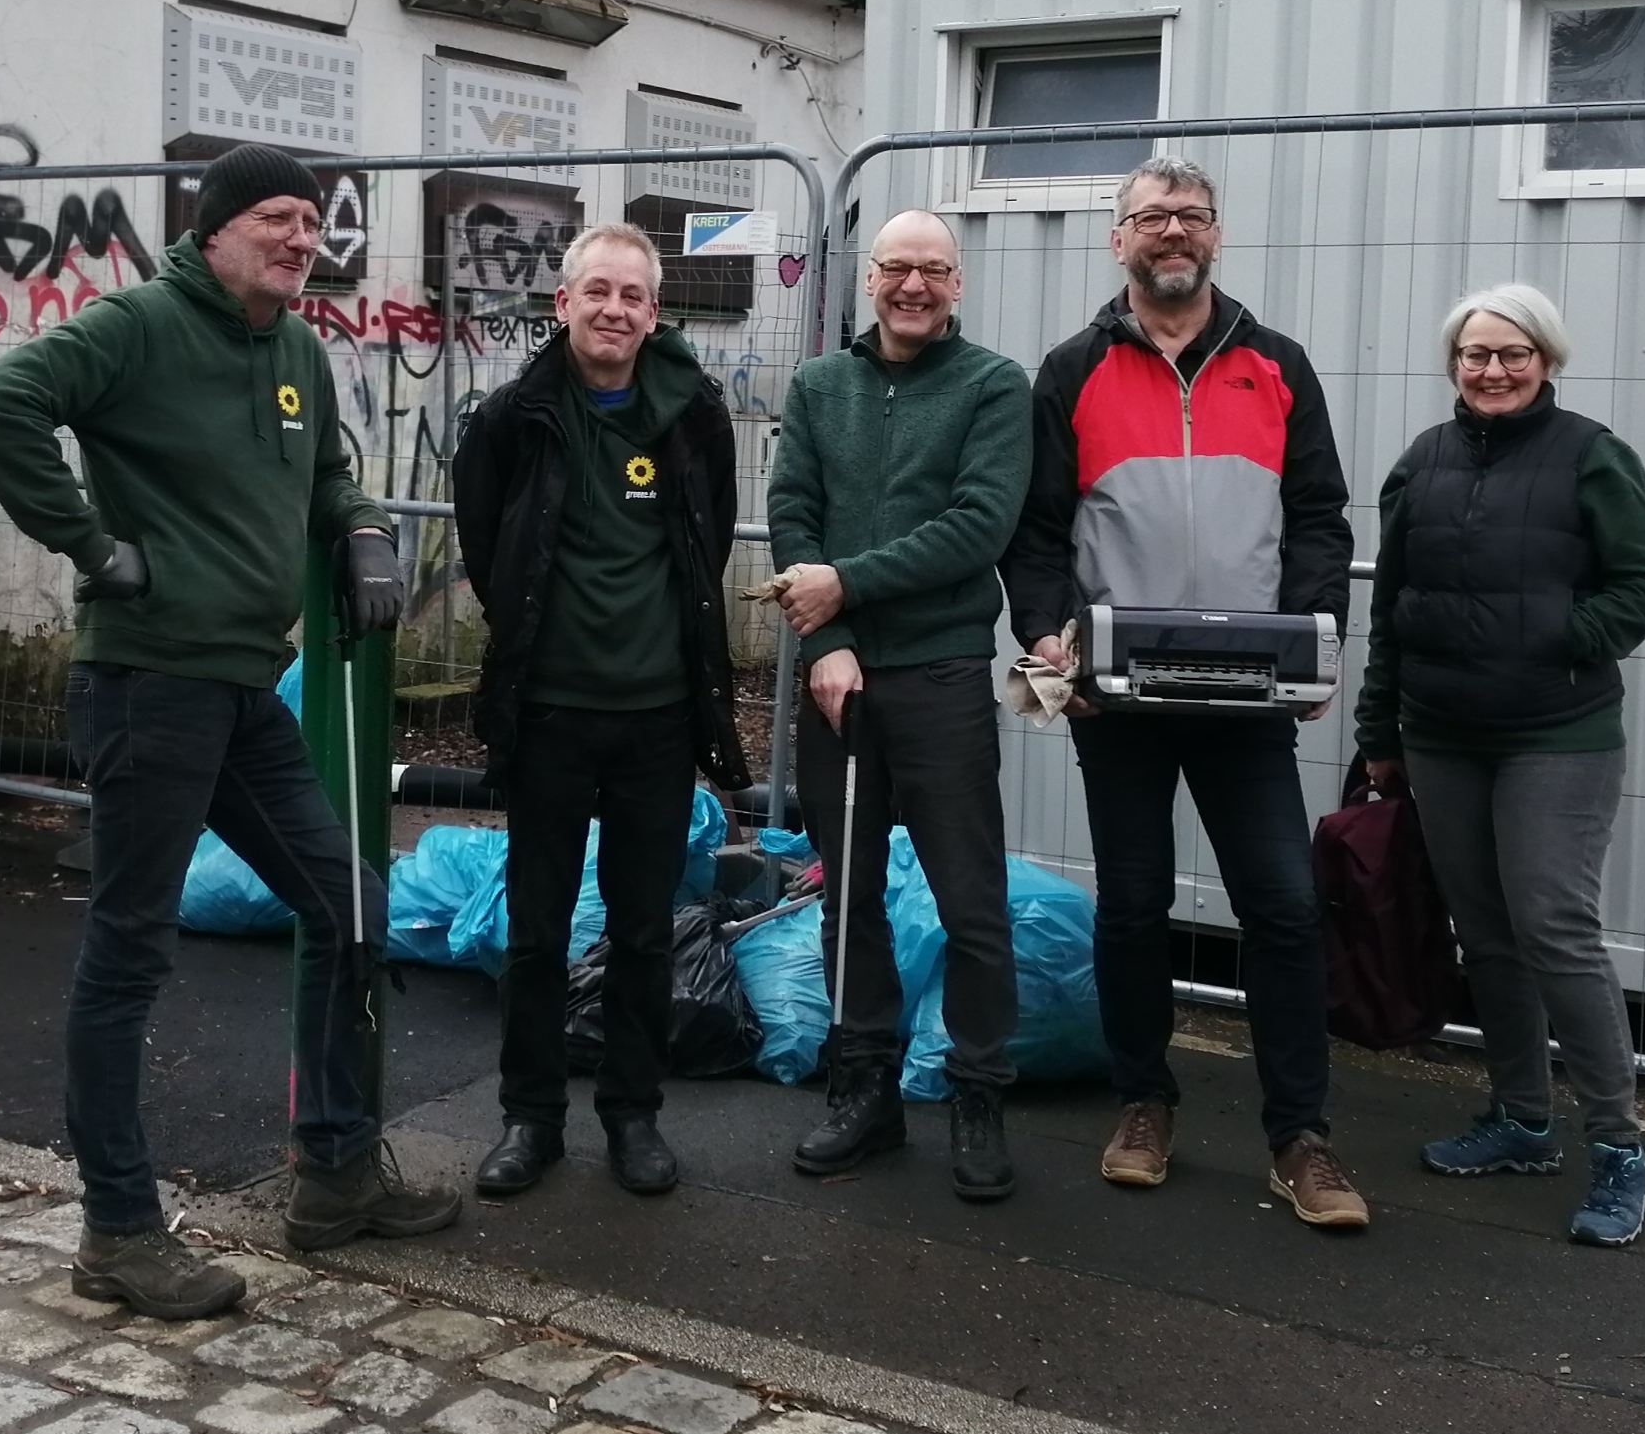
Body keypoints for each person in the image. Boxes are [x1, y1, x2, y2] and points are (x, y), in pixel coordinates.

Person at [0, 142, 461, 1319]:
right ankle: (119, 1229)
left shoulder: (294, 347)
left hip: (245, 687)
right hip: (148, 683)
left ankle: (333, 1174)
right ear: (216, 226)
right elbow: (0, 402)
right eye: (279, 218)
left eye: (313, 223)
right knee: (128, 953)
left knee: (352, 906)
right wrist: (88, 544)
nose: (301, 238)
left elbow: (327, 471)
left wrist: (367, 531)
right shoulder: (136, 324)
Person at [1000, 156, 1366, 1228]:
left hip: (1247, 697)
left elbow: (1317, 517)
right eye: (1151, 215)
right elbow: (1033, 531)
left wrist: (1308, 641)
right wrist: (1044, 634)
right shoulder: (1070, 369)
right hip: (1118, 693)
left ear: (1215, 235)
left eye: (1190, 215)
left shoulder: (1276, 363)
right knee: (1131, 904)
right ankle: (1141, 1101)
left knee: (1285, 908)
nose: (1172, 230)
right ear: (1116, 239)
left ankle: (1299, 1134)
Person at [1354, 284, 1645, 1248]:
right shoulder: (1423, 460)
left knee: (1552, 926)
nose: (1492, 370)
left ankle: (1618, 1147)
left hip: (1555, 732)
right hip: (1442, 736)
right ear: (1454, 363)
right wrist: (1381, 729)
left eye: (1512, 353)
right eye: (1474, 354)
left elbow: (1643, 583)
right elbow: (1391, 604)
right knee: (1484, 935)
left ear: (1545, 357)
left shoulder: (1590, 455)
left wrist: (1559, 638)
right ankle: (1521, 1120)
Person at [454, 222, 750, 1200]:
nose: (614, 309)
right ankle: (529, 1118)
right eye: (597, 291)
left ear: (652, 313)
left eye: (632, 295)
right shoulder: (512, 416)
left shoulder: (693, 416)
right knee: (536, 929)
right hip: (547, 714)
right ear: (562, 304)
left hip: (657, 719)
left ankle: (632, 1114)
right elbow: (488, 543)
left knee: (642, 927)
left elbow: (703, 547)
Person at [767, 209, 1030, 1201]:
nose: (912, 285)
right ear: (866, 279)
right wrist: (826, 638)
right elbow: (791, 508)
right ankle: (863, 1086)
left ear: (956, 283)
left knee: (970, 899)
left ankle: (975, 1092)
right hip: (840, 684)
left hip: (941, 677)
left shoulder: (993, 386)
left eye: (932, 269)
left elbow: (977, 525)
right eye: (894, 268)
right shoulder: (817, 384)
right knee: (848, 896)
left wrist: (844, 586)